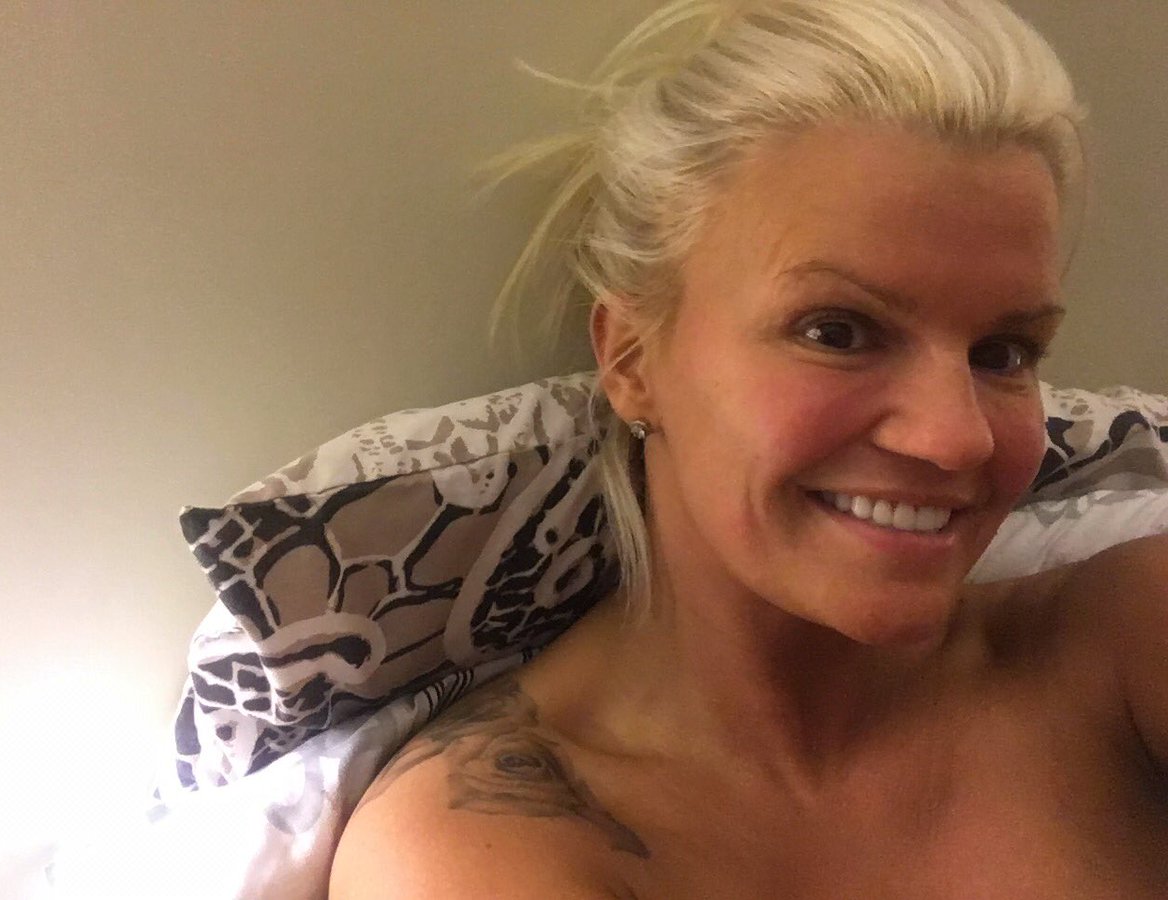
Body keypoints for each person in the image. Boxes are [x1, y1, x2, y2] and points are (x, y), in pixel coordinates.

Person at [331, 1, 1167, 896]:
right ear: (632, 359)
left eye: (1003, 353)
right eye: (837, 331)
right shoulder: (484, 845)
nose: (956, 435)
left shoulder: (1128, 638)